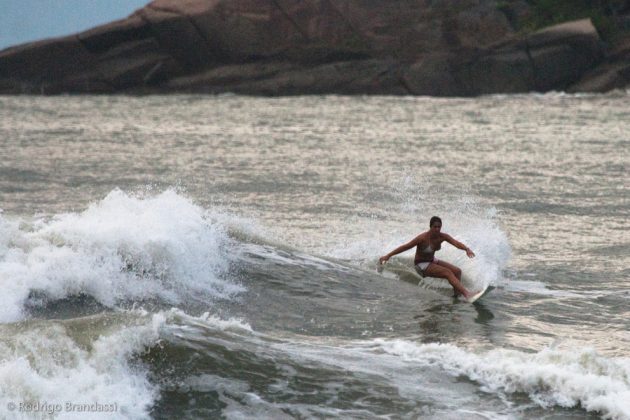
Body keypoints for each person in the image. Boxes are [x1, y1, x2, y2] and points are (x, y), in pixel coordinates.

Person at [379, 216, 479, 300]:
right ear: (430, 227)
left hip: (431, 261)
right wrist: (388, 256)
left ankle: (456, 296)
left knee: (457, 271)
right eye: (435, 227)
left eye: (439, 227)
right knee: (447, 273)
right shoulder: (422, 238)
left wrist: (467, 249)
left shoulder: (442, 237)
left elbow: (456, 243)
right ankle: (467, 294)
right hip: (421, 265)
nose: (437, 229)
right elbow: (405, 247)